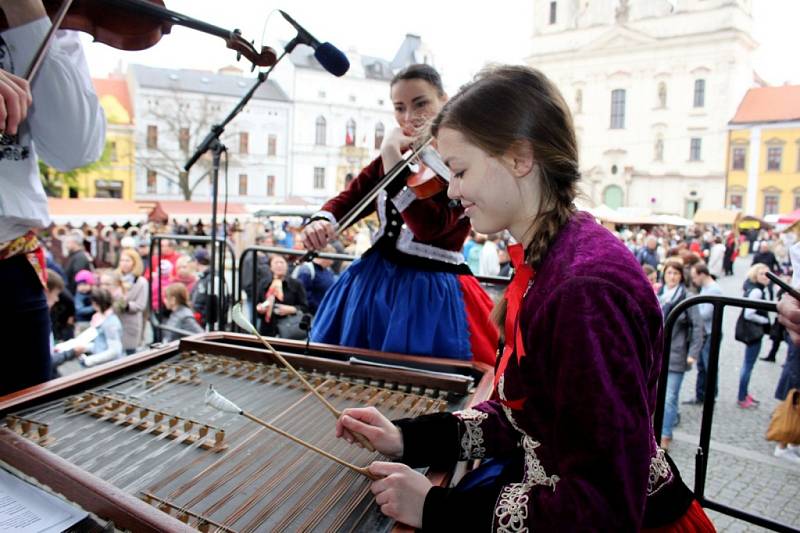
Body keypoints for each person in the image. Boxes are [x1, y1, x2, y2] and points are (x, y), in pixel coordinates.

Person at [334, 65, 711, 531]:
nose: (452, 191)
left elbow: (603, 508)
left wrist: (435, 507)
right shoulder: (551, 255)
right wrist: (407, 440)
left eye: (460, 170)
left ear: (519, 158)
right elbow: (526, 418)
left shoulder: (584, 290)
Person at [300, 64, 497, 364]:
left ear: (444, 100)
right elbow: (351, 197)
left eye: (420, 104)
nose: (408, 117)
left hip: (431, 295)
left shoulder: (460, 160)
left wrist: (392, 158)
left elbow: (428, 227)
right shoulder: (397, 155)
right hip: (371, 285)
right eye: (399, 108)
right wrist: (321, 220)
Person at [0, 0, 105, 395]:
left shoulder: (55, 14)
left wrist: (28, 15)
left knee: (23, 443)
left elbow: (74, 148)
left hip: (9, 267)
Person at [658, 259, 703, 449]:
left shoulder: (687, 297)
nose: (672, 277)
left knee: (670, 396)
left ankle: (665, 435)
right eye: (669, 273)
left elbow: (698, 327)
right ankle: (659, 426)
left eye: (676, 273)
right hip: (656, 354)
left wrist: (693, 353)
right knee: (657, 395)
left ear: (681, 276)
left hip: (676, 354)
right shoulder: (658, 293)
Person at [686, 262, 723, 405]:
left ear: (702, 274)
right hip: (705, 332)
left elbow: (705, 313)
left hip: (710, 333)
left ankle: (710, 396)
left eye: (695, 277)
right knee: (702, 366)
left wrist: (692, 312)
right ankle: (701, 395)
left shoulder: (714, 290)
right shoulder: (706, 288)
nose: (694, 281)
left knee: (709, 366)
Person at [736, 264, 771, 409]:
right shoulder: (756, 291)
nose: (766, 277)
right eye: (762, 274)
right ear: (755, 275)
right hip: (753, 332)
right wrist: (765, 321)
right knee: (748, 365)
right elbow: (749, 314)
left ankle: (743, 394)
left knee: (748, 364)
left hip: (752, 331)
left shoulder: (757, 288)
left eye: (767, 274)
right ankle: (742, 396)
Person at [256, 254, 308, 338]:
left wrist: (292, 309)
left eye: (282, 262)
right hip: (268, 330)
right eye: (276, 263)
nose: (279, 265)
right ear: (270, 267)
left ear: (287, 266)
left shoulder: (296, 284)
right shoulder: (264, 284)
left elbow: (305, 307)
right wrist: (261, 309)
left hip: (289, 329)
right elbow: (256, 305)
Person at [71, 287, 124, 368]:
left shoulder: (110, 322)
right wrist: (85, 348)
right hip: (104, 364)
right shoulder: (103, 318)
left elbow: (115, 351)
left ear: (96, 303)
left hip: (108, 367)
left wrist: (89, 360)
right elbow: (101, 343)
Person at [114, 249, 148, 355]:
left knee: (130, 354)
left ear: (134, 263)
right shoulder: (115, 278)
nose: (124, 263)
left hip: (131, 323)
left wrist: (126, 305)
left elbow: (141, 305)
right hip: (115, 321)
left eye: (127, 260)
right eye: (122, 260)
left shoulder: (141, 282)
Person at [293, 245, 336, 315]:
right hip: (312, 314)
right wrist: (319, 309)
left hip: (325, 311)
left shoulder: (328, 270)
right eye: (331, 258)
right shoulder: (307, 270)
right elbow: (304, 294)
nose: (332, 262)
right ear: (323, 257)